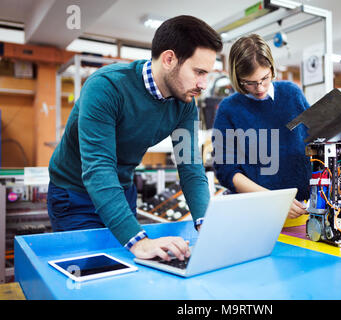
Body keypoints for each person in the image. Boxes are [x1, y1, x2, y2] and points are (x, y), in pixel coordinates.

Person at [47, 15, 223, 262]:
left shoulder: (184, 104)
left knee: (129, 268)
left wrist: (206, 224)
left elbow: (191, 167)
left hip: (121, 191)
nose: (204, 84)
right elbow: (98, 169)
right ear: (169, 59)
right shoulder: (106, 87)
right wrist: (139, 242)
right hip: (75, 194)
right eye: (199, 72)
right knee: (89, 275)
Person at [212, 34, 311, 220]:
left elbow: (316, 143)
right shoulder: (229, 109)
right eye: (249, 82)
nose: (259, 88)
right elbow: (227, 171)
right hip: (257, 214)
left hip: (303, 211)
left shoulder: (292, 93)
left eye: (265, 78)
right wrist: (274, 200)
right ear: (237, 77)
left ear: (272, 68)